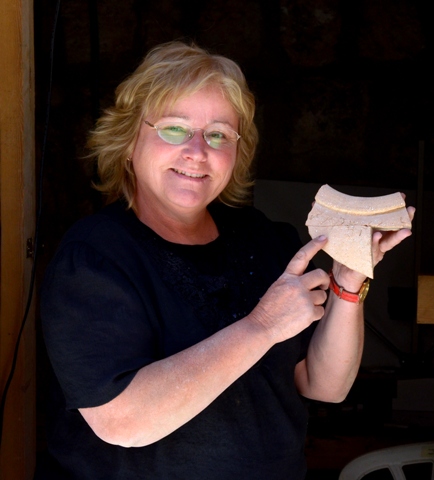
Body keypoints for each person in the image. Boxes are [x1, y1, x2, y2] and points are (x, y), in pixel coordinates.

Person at [38, 41, 414, 479]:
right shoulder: (94, 257)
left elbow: (323, 385)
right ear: (127, 141)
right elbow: (123, 422)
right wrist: (263, 325)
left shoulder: (263, 239)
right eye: (174, 129)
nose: (197, 151)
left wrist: (349, 282)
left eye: (218, 134)